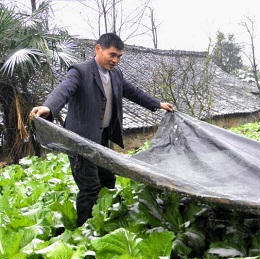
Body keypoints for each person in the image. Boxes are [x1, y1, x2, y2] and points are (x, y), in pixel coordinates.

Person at [30, 33, 174, 226]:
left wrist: (158, 104)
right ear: (98, 49)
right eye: (112, 54)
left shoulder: (116, 74)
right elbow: (64, 90)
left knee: (108, 180)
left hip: (102, 138)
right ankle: (83, 231)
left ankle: (103, 221)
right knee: (90, 187)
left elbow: (133, 92)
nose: (115, 60)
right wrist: (48, 107)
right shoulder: (80, 71)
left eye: (119, 57)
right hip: (80, 140)